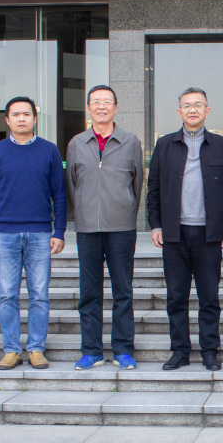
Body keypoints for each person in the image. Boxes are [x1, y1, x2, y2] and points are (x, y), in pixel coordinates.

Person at [147, 87, 223, 371]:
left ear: (207, 110)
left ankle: (210, 350)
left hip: (209, 234)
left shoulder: (221, 145)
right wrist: (156, 224)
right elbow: (154, 188)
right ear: (179, 111)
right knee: (176, 297)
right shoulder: (164, 145)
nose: (193, 110)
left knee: (209, 297)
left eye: (198, 105)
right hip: (175, 234)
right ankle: (180, 350)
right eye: (187, 105)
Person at [0, 96, 66, 370]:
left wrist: (59, 230)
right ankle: (11, 350)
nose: (21, 118)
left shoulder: (49, 150)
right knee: (7, 295)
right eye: (15, 114)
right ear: (7, 120)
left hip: (40, 233)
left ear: (34, 118)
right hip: (4, 233)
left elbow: (60, 194)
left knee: (39, 294)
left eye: (26, 114)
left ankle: (36, 348)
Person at [66, 84, 143, 371]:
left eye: (107, 101)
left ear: (115, 107)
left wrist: (125, 209)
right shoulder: (77, 143)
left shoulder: (130, 141)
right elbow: (72, 184)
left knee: (123, 290)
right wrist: (85, 211)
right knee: (89, 292)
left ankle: (123, 349)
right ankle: (91, 351)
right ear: (88, 108)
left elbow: (137, 183)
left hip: (121, 227)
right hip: (87, 228)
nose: (101, 106)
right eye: (96, 102)